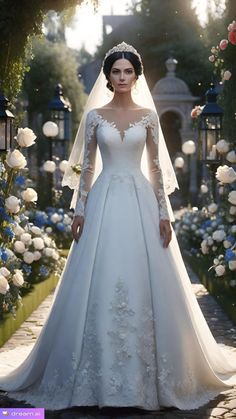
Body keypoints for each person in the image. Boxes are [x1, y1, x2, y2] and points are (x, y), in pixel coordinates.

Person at [0, 42, 236, 412]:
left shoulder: (148, 116)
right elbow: (89, 168)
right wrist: (80, 209)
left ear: (136, 75)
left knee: (148, 277)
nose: (122, 77)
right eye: (116, 71)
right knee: (100, 273)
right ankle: (90, 377)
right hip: (105, 199)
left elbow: (156, 168)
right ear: (108, 77)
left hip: (142, 201)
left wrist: (164, 213)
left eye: (128, 71)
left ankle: (156, 378)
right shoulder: (95, 117)